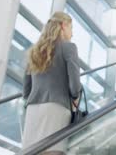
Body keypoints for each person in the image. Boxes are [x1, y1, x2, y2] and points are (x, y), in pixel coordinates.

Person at [22, 12, 81, 154]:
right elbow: (75, 86)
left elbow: (26, 89)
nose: (72, 33)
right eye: (71, 28)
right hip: (56, 109)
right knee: (52, 151)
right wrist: (75, 97)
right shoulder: (69, 47)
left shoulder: (34, 51)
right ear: (63, 26)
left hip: (33, 111)